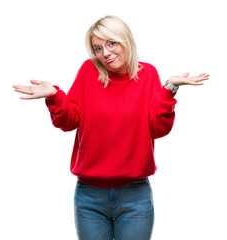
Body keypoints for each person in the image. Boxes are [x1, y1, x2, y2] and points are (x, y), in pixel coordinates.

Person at [12, 15, 209, 240]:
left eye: (111, 43)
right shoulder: (89, 70)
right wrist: (55, 96)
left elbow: (158, 129)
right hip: (89, 196)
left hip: (135, 194)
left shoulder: (148, 74)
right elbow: (69, 122)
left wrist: (170, 89)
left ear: (125, 40)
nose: (104, 53)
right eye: (97, 48)